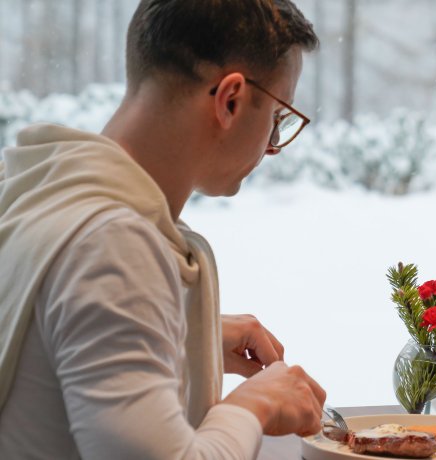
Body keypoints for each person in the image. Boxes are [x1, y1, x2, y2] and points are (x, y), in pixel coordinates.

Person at [0, 1, 327, 457]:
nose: (273, 148)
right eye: (276, 120)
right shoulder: (113, 242)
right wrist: (256, 405)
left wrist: (183, 335)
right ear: (230, 99)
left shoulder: (38, 189)